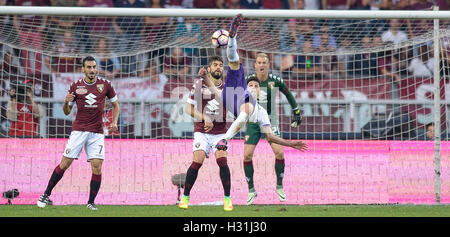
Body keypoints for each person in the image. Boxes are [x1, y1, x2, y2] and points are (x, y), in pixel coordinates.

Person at [201, 14, 308, 204]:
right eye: (254, 85)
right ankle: (233, 37)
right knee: (234, 63)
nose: (255, 87)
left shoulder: (261, 111)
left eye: (257, 87)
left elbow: (271, 136)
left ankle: (279, 186)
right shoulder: (248, 96)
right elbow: (239, 117)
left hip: (229, 98)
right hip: (234, 93)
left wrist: (291, 144)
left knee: (274, 147)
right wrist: (225, 139)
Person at [37, 56, 120, 211]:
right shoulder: (75, 86)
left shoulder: (106, 84)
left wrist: (114, 122)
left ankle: (91, 202)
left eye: (94, 67)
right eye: (88, 67)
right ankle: (46, 194)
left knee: (97, 166)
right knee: (65, 164)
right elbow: (67, 112)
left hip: (96, 132)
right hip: (79, 131)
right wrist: (66, 101)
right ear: (83, 69)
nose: (92, 70)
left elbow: (116, 105)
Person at [243, 52, 302, 204]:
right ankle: (251, 191)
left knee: (279, 153)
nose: (262, 65)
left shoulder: (275, 80)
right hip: (253, 121)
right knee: (247, 156)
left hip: (271, 120)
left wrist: (296, 111)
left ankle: (279, 186)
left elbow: (288, 94)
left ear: (268, 65)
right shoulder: (248, 81)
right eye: (259, 63)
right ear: (255, 65)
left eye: (264, 63)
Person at [178, 55, 233, 212]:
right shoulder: (199, 85)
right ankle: (186, 196)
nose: (218, 67)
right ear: (209, 69)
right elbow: (188, 109)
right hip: (202, 131)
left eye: (220, 65)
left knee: (222, 160)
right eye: (215, 65)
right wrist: (205, 117)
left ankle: (227, 198)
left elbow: (229, 109)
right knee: (198, 160)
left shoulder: (228, 88)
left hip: (220, 133)